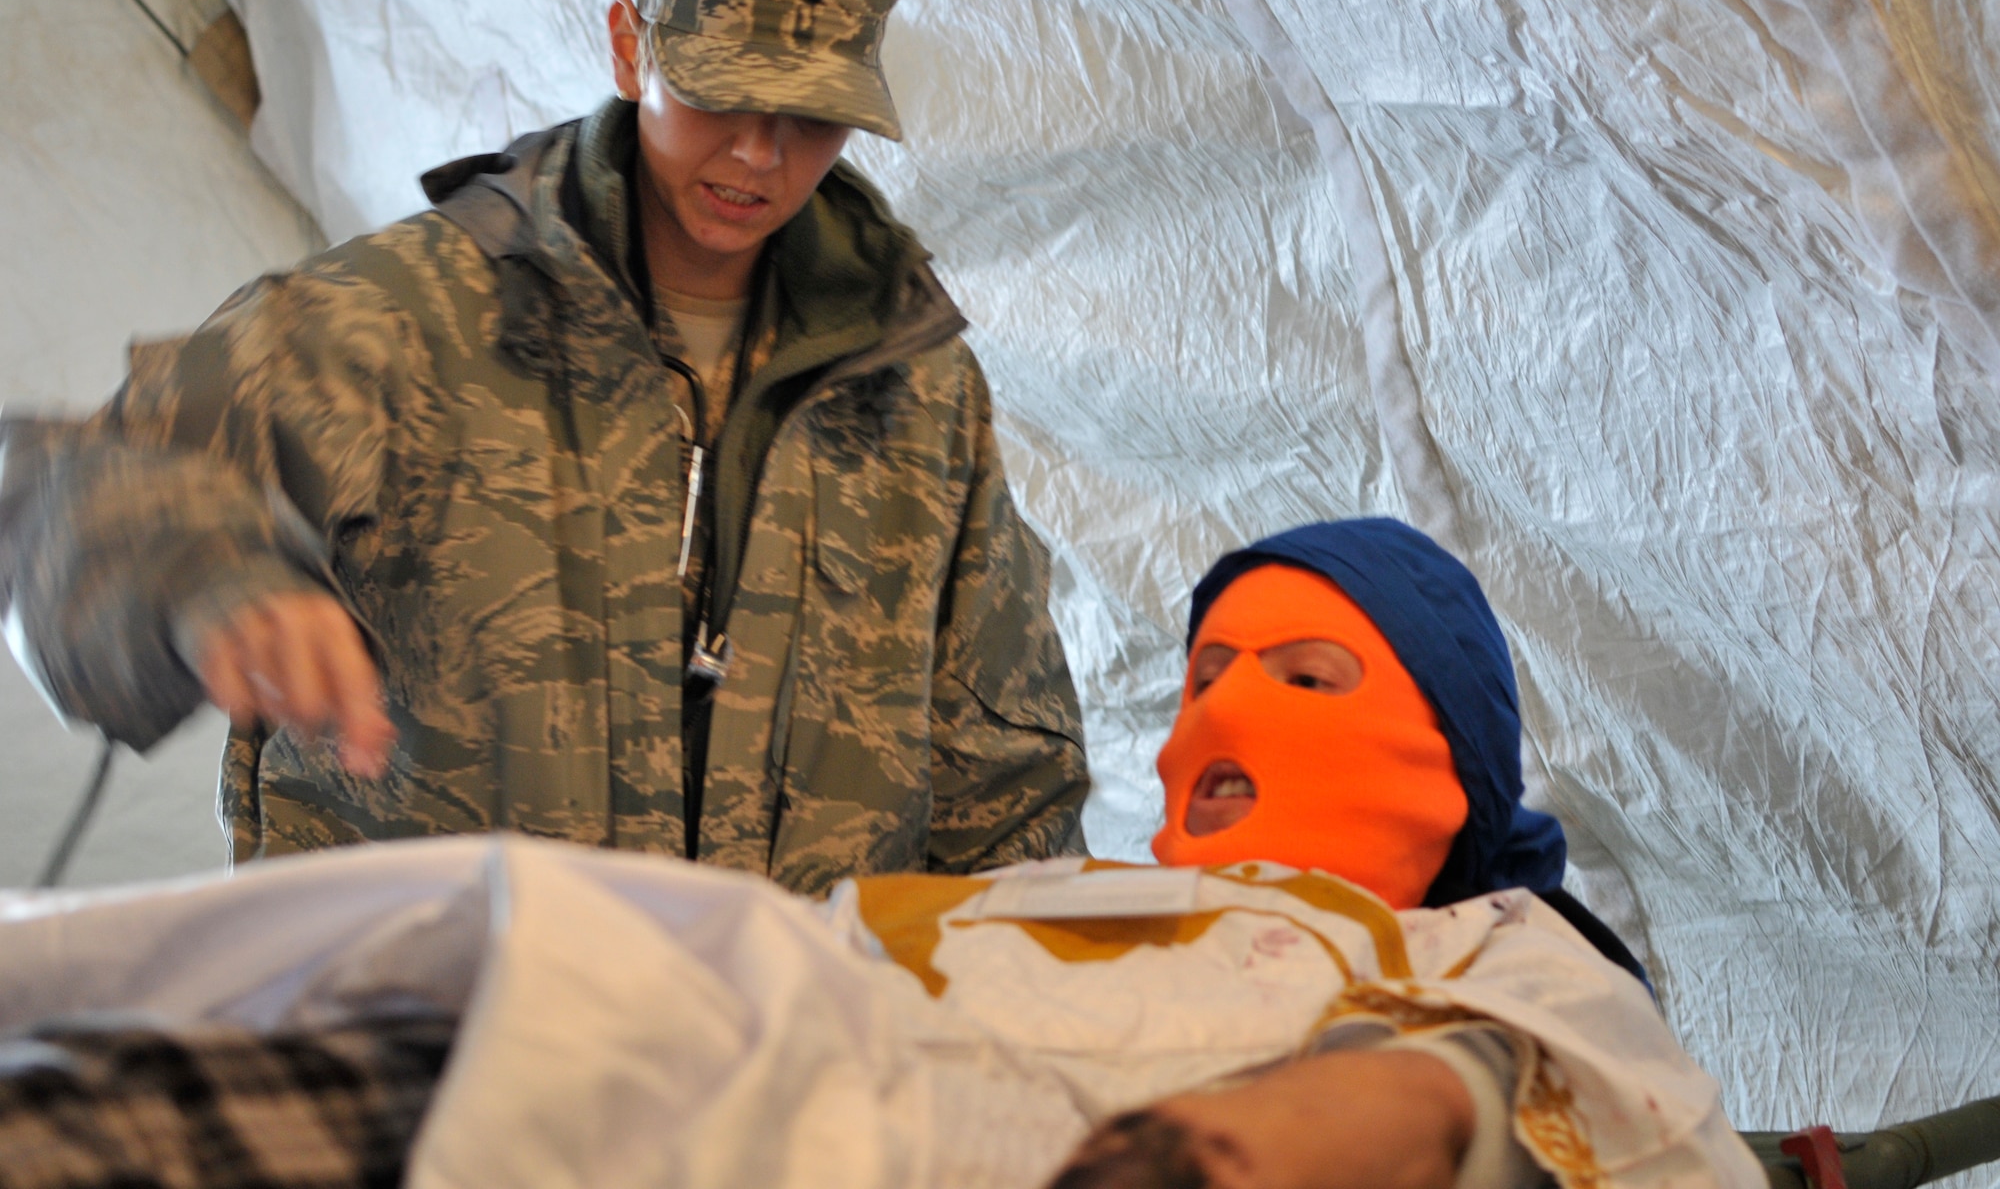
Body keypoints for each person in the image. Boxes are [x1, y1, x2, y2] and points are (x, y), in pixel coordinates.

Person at [0, 520, 1762, 1189]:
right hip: (617, 1030)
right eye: (1206, 672)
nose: (1221, 718)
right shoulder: (1033, 888)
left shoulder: (1490, 948)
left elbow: (1526, 1089)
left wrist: (1290, 1133)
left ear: (1451, 773)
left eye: (1308, 678)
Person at [0, 0, 1087, 888]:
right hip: (447, 1036)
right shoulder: (401, 320)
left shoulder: (912, 388)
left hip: (797, 1046)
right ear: (630, 44)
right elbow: (69, 486)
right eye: (719, 91)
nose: (759, 153)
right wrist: (204, 578)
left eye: (810, 116)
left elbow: (1000, 772)